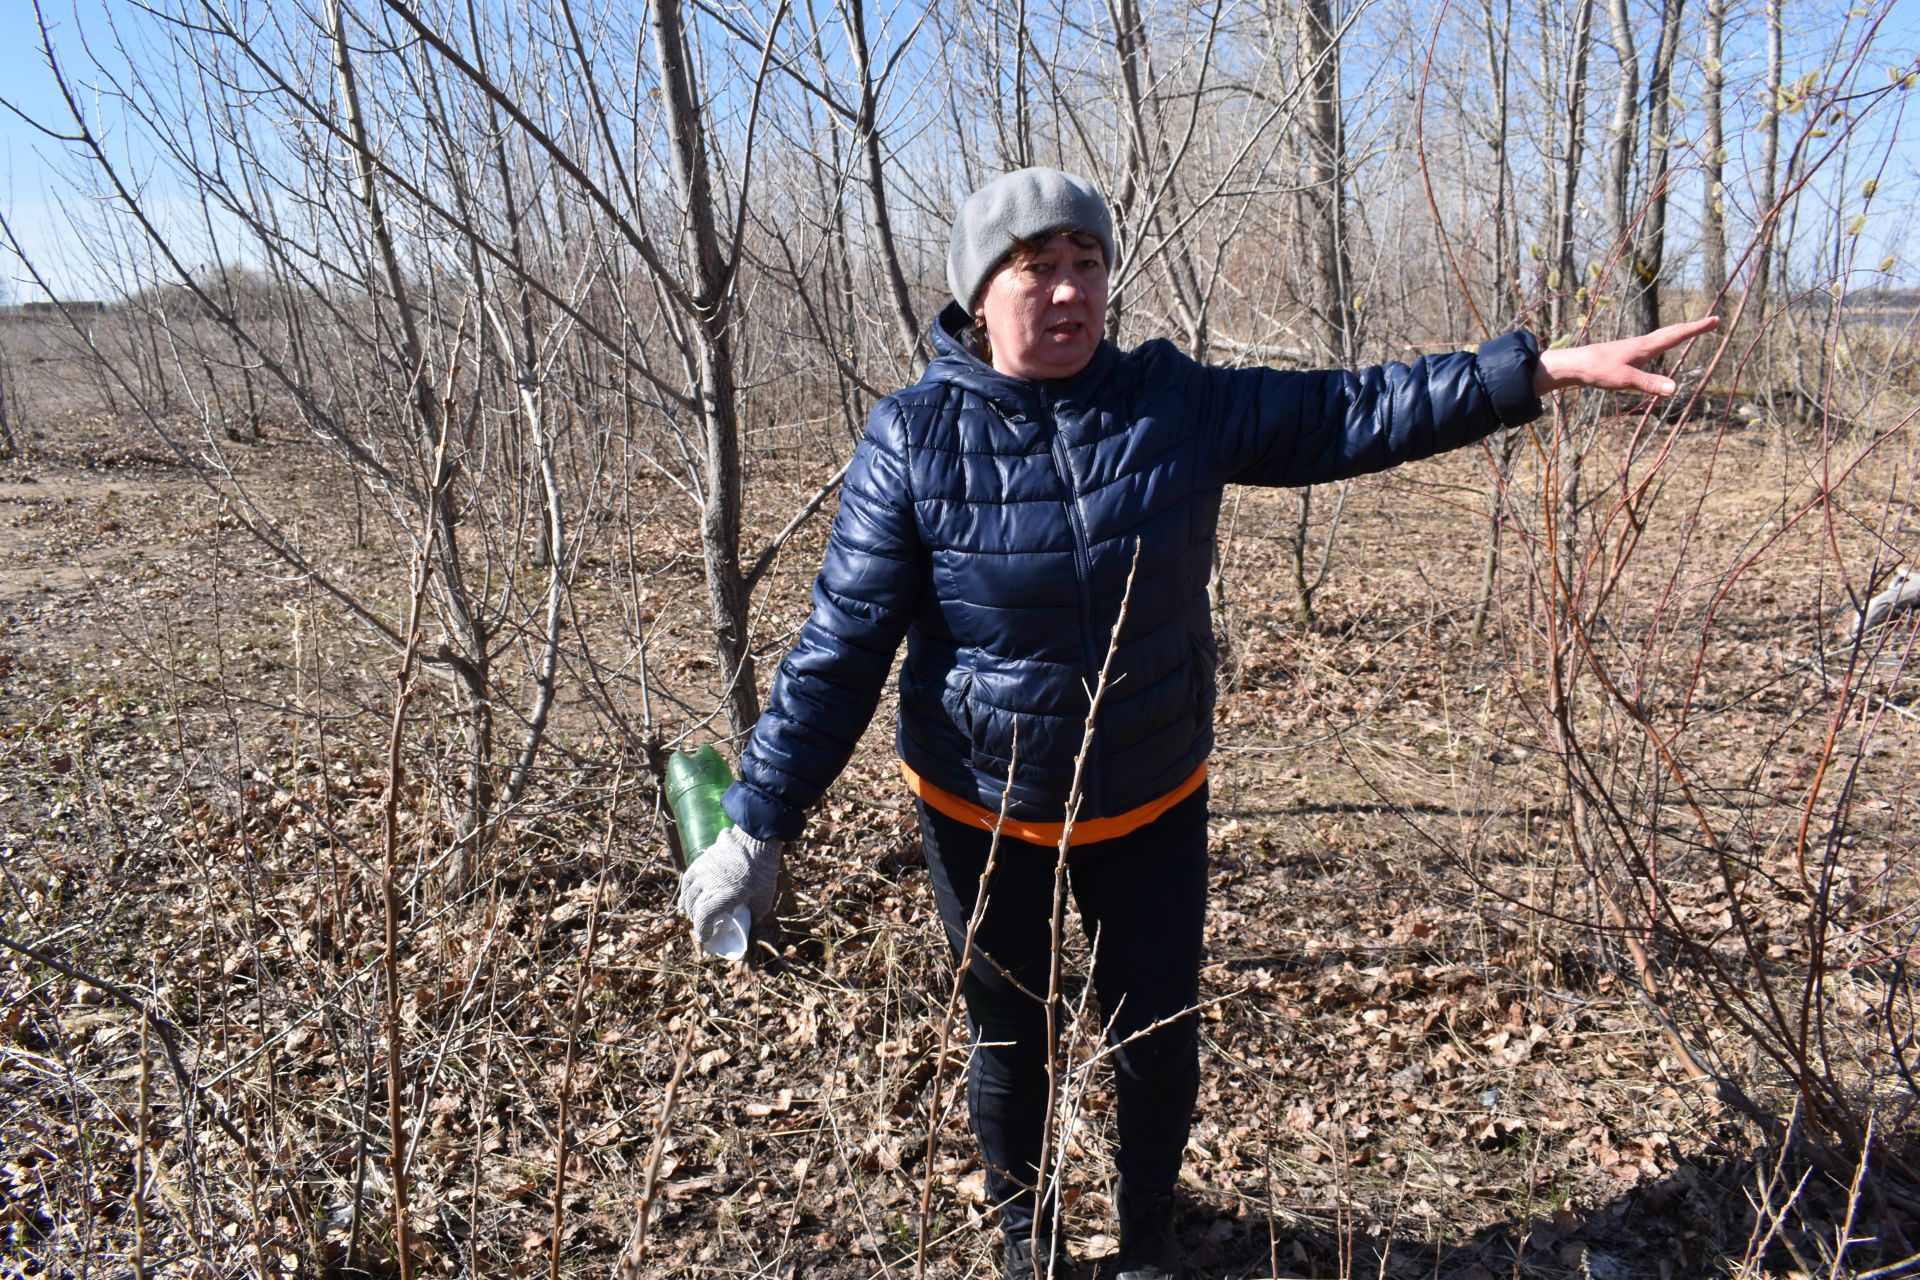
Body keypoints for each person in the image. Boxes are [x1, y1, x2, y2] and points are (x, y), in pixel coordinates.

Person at [678, 166, 1718, 1279]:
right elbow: (841, 647)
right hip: (985, 809)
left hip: (1152, 792)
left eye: (1088, 263)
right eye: (1038, 269)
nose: (1071, 290)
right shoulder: (916, 439)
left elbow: (1349, 411)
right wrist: (758, 820)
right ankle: (1025, 1245)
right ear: (981, 293)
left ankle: (1143, 1241)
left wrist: (1535, 371)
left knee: (1156, 1036)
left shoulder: (1170, 403)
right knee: (1008, 1040)